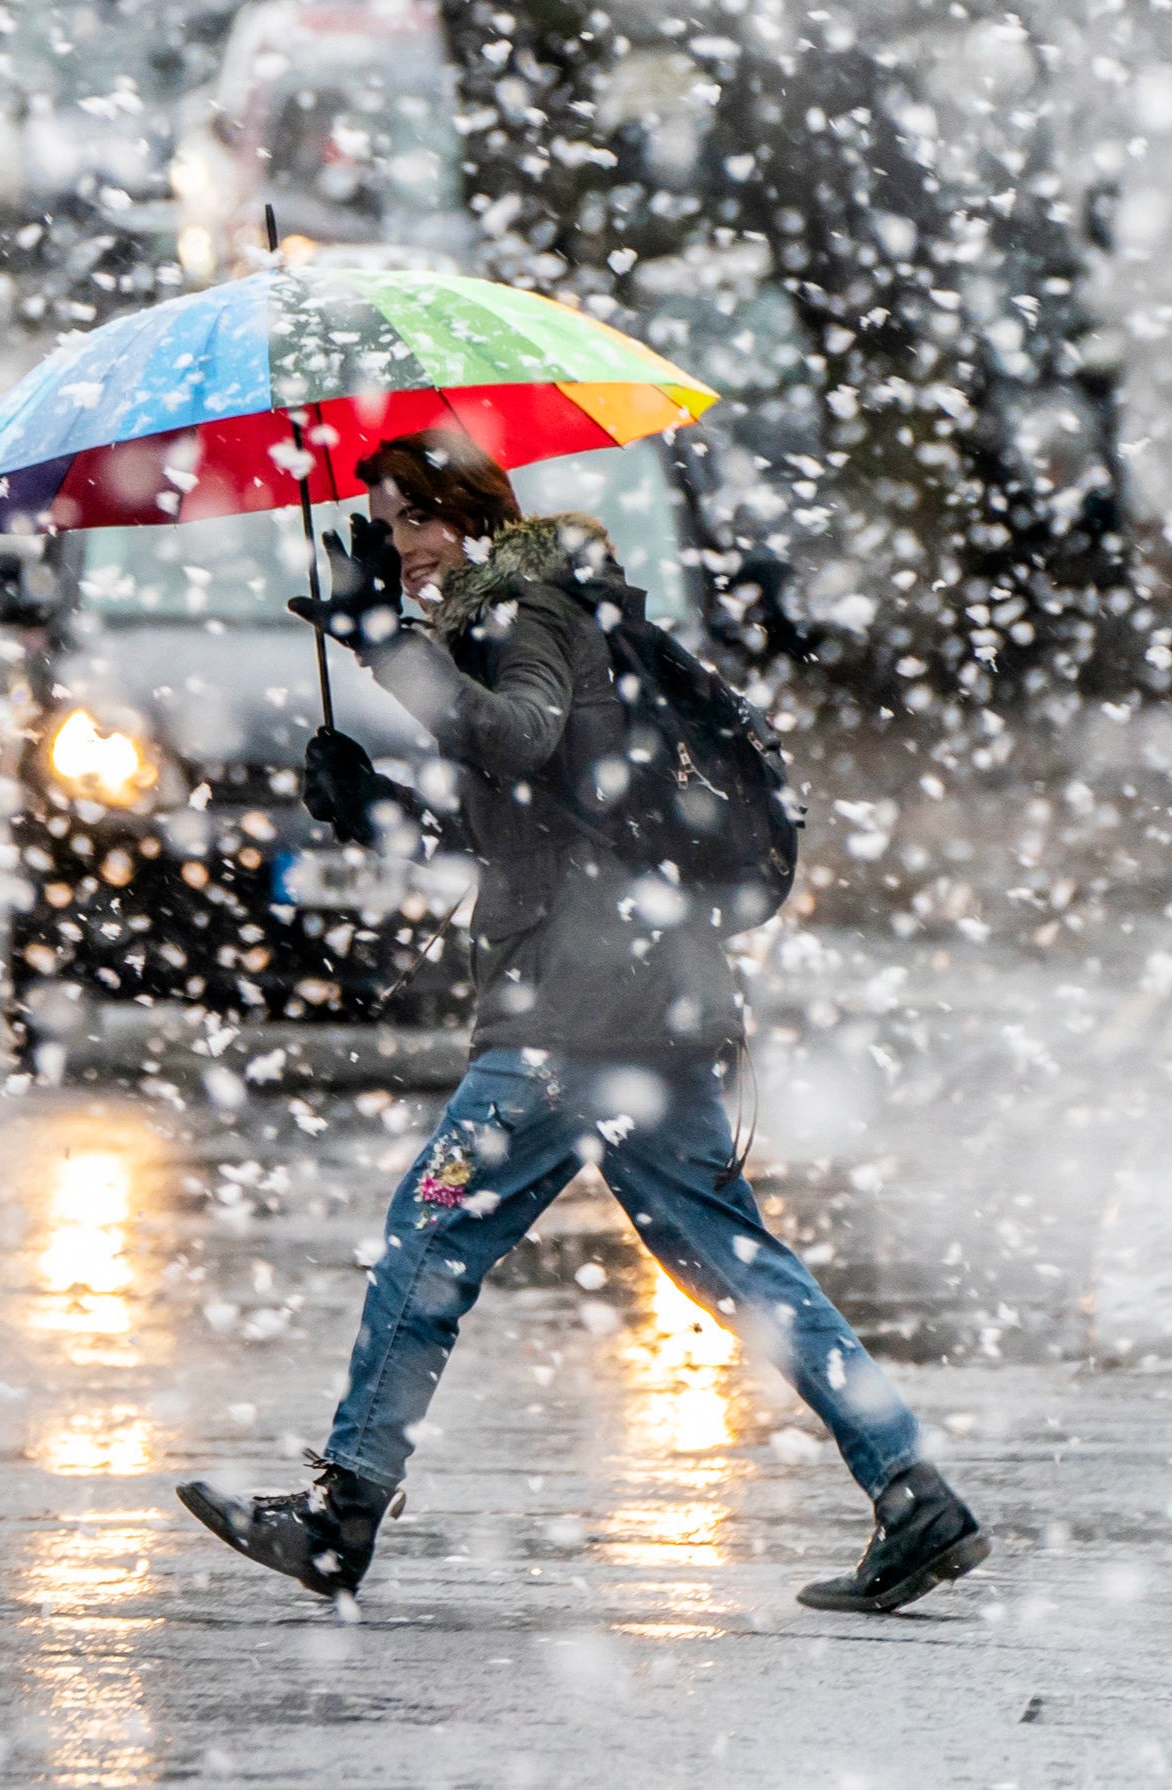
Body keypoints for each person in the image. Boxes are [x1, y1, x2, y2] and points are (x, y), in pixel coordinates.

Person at [175, 423, 988, 1614]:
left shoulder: (534, 613)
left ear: (474, 517)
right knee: (729, 1259)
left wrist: (379, 645)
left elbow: (518, 736)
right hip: (635, 993)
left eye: (413, 521)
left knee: (430, 1235)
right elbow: (527, 824)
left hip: (576, 1007)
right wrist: (375, 807)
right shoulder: (514, 624)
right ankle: (913, 1491)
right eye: (386, 527)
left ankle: (345, 1514)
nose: (396, 548)